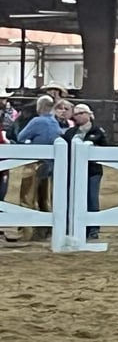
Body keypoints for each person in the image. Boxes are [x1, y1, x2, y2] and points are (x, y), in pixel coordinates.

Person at [17, 95, 62, 240]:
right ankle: (44, 231)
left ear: (40, 107)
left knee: (27, 197)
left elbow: (21, 137)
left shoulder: (37, 121)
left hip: (34, 163)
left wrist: (29, 141)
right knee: (44, 198)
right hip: (49, 165)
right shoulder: (55, 122)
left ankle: (26, 232)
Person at [63, 103, 109, 239]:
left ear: (89, 114)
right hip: (73, 171)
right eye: (76, 114)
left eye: (81, 113)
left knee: (92, 198)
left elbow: (106, 149)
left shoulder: (98, 131)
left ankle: (93, 228)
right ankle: (72, 226)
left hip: (93, 171)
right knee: (73, 197)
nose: (78, 116)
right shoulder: (70, 132)